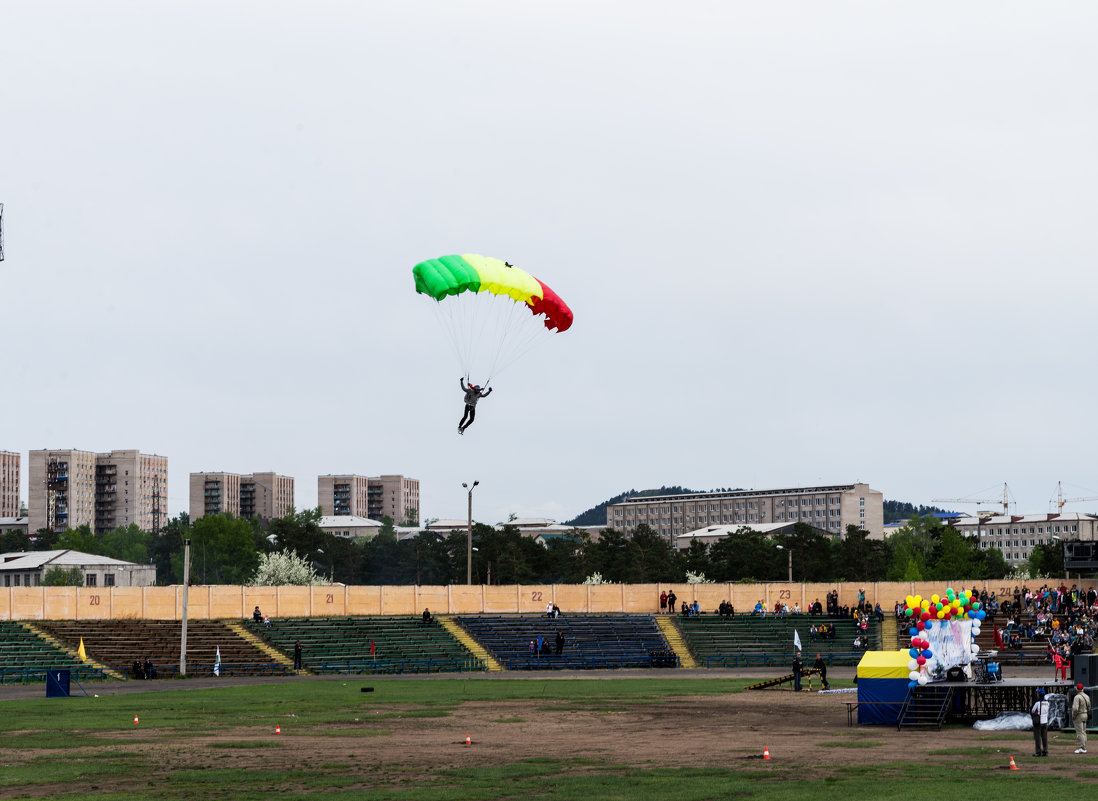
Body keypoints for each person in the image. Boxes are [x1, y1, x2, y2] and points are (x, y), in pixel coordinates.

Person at [1074, 683, 1092, 754]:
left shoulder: (1077, 697)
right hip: (1085, 714)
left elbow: (1075, 708)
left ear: (1077, 689)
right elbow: (1089, 706)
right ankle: (1084, 746)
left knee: (1079, 733)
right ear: (1083, 689)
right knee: (1084, 732)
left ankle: (1082, 748)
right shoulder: (1086, 696)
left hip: (1079, 715)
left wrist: (1073, 716)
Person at [1031, 689, 1050, 757]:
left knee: (1037, 737)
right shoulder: (1047, 703)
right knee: (1044, 737)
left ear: (1039, 694)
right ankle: (1045, 751)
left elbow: (1033, 711)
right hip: (1045, 722)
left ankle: (1038, 752)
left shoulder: (1037, 703)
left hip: (1038, 722)